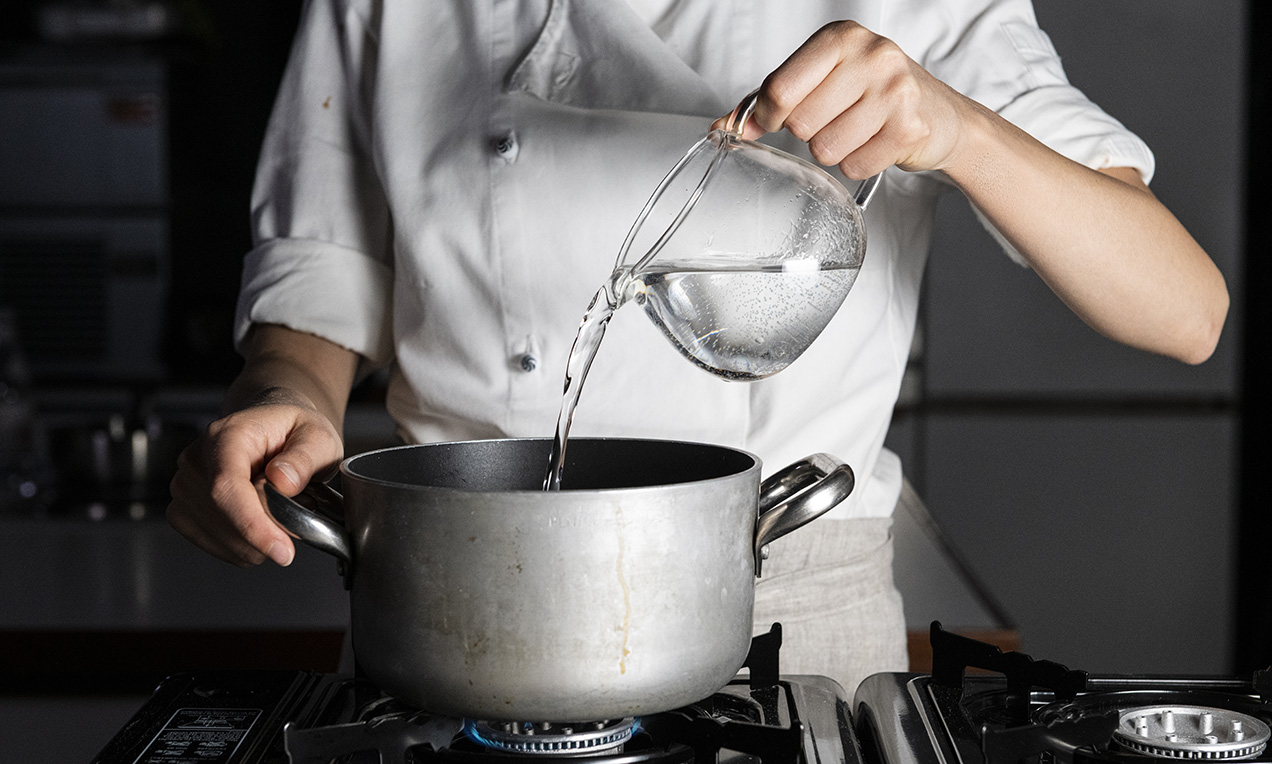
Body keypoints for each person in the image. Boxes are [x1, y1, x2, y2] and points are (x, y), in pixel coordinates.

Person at [167, 0, 1227, 695]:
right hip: (452, 596)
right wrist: (286, 388)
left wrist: (954, 127)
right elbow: (327, 259)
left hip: (793, 607)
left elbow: (1184, 309)